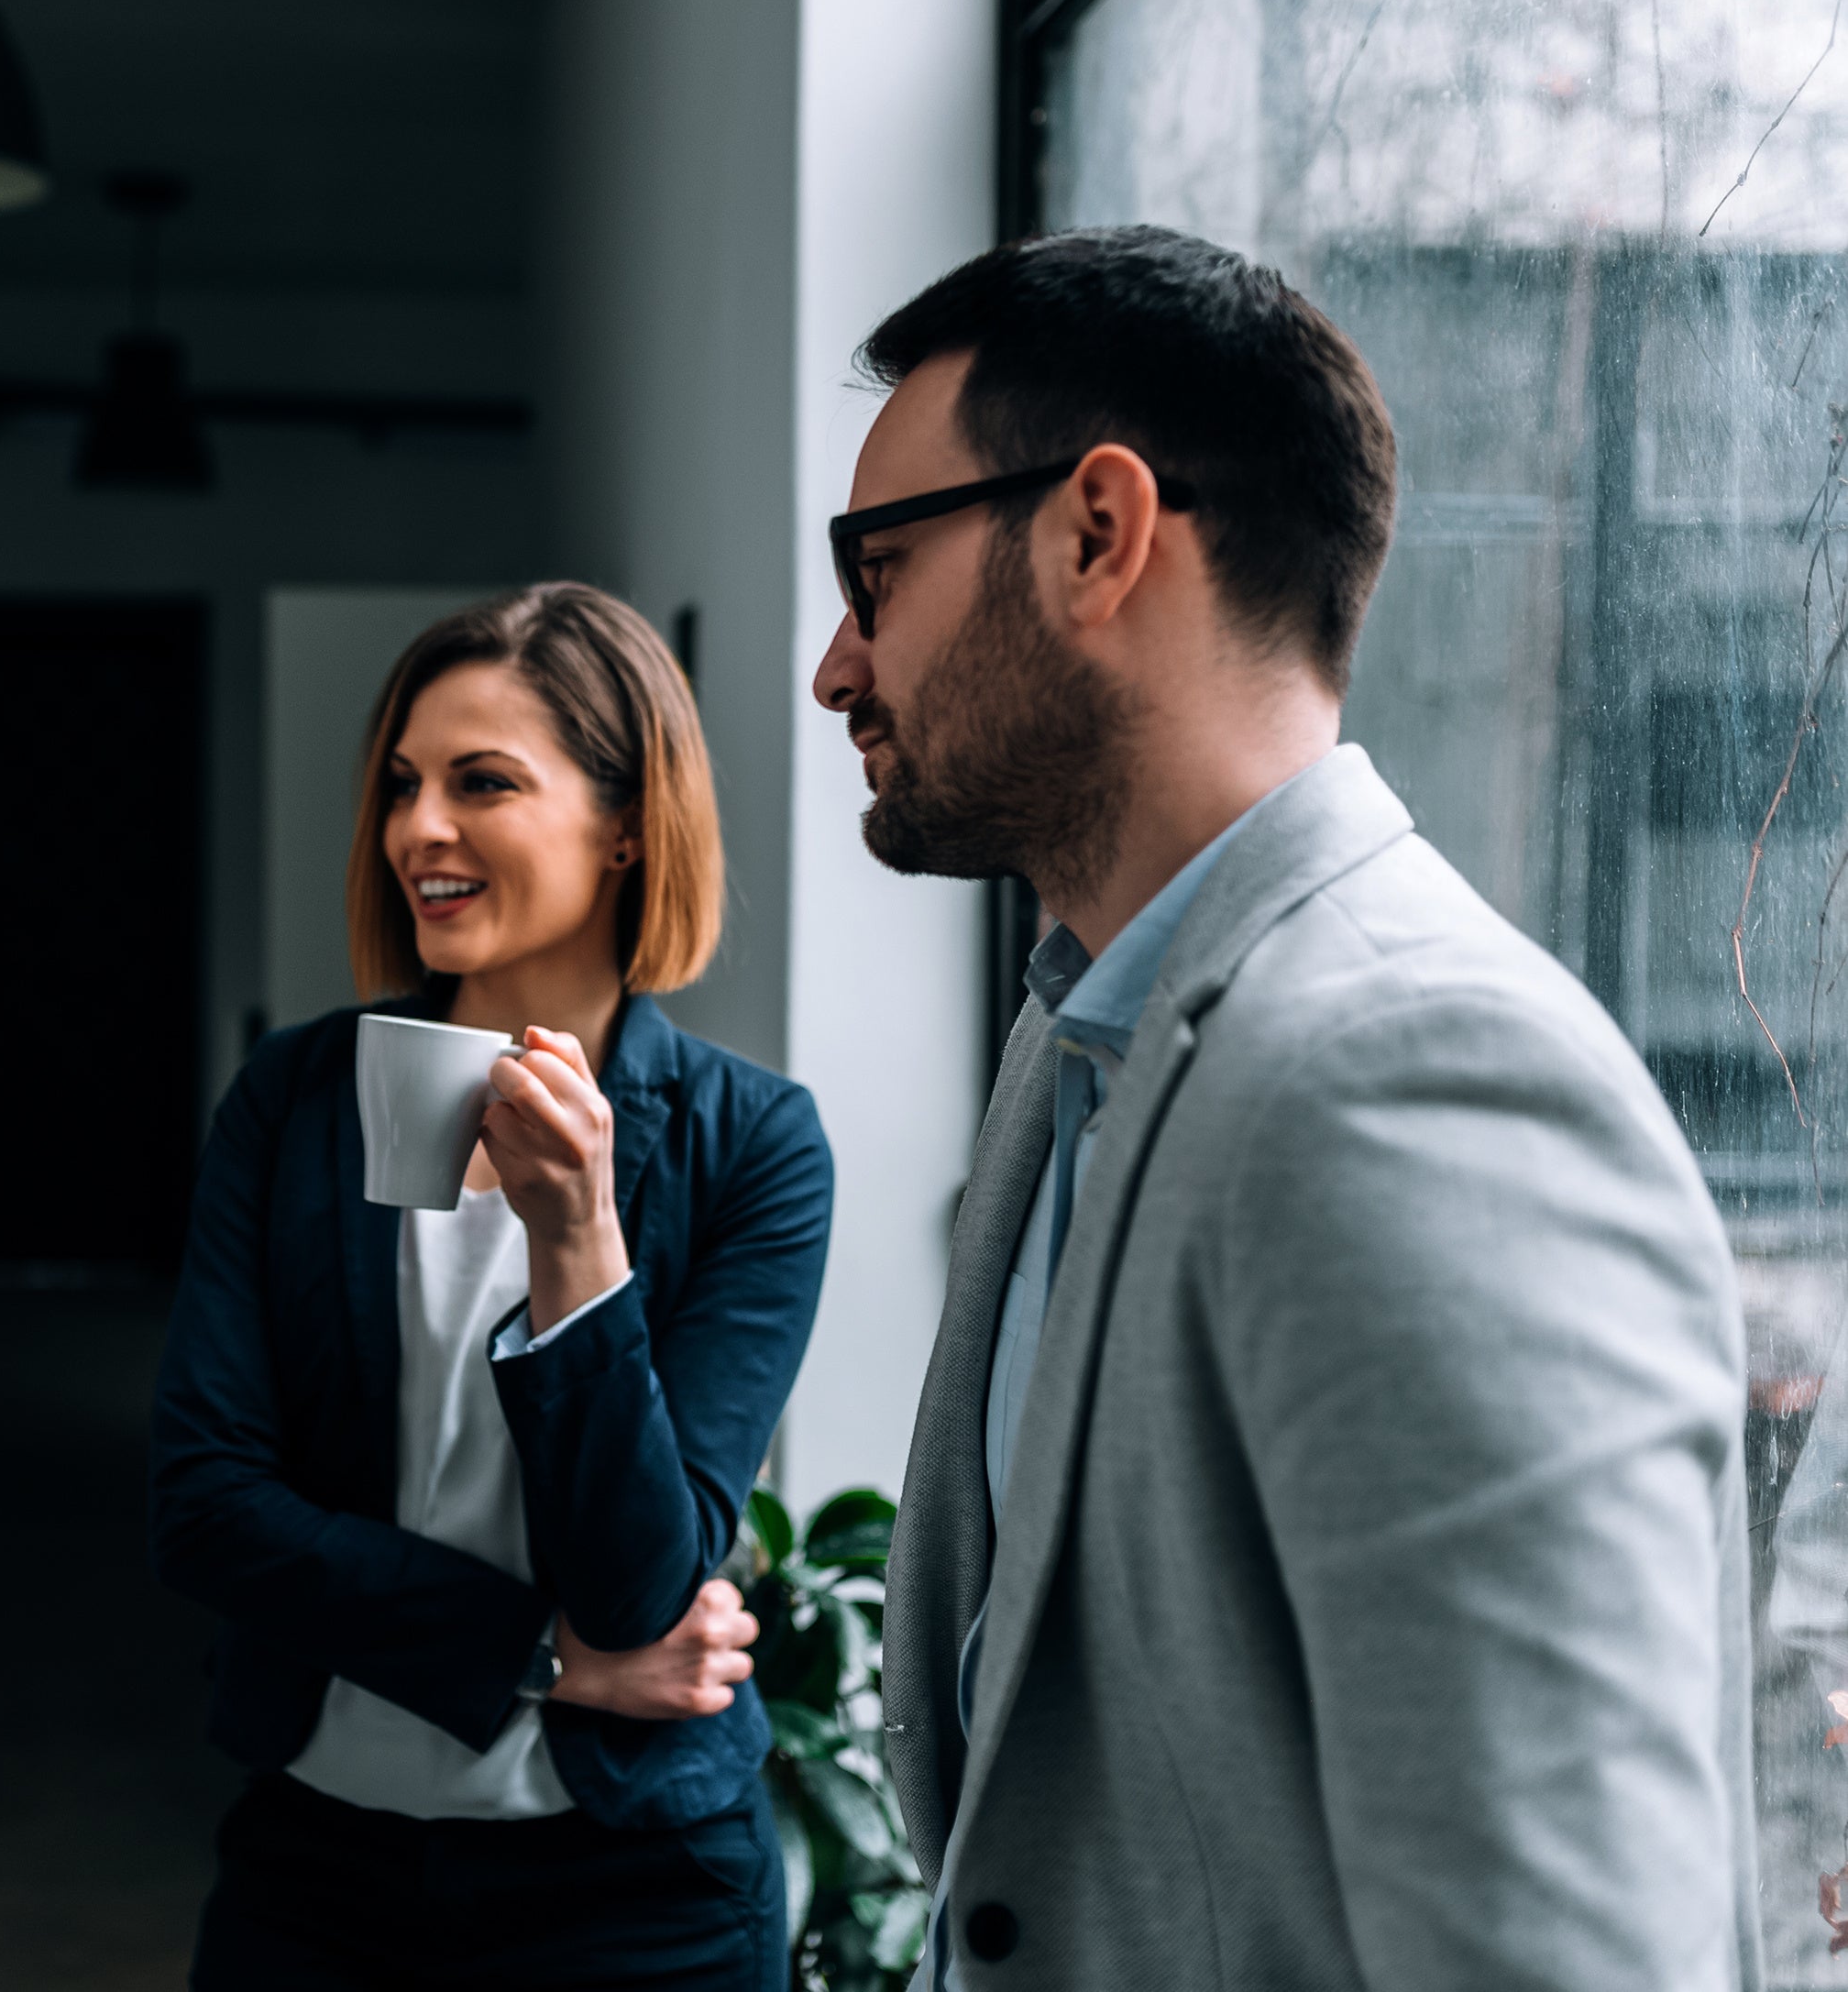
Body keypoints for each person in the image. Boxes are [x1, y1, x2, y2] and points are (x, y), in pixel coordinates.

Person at [815, 226, 1756, 1989]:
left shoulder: (1419, 1085)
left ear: (1099, 535)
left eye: (876, 573)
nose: (837, 668)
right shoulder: (1081, 1030)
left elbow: (1560, 1950)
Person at [152, 583, 833, 1991]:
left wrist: (577, 1232)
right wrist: (537, 1652)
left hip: (642, 1891)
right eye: (403, 785)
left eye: (483, 784)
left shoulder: (751, 1145)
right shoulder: (294, 1101)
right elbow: (207, 1509)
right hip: (319, 1873)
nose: (419, 831)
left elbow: (645, 1586)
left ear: (628, 821)